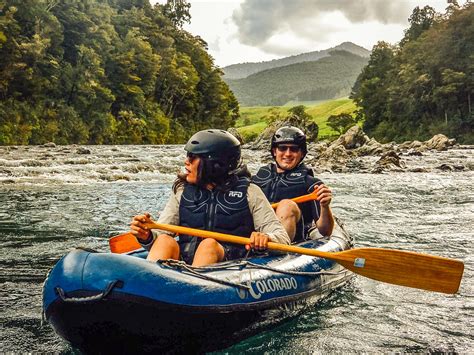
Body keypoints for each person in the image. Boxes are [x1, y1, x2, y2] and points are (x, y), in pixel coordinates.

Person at [130, 129, 290, 267]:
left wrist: (266, 237)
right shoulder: (181, 190)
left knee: (209, 244)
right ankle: (144, 291)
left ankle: (192, 293)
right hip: (187, 264)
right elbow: (160, 234)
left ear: (214, 164)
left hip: (230, 267)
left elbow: (282, 238)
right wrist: (147, 236)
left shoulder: (250, 192)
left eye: (192, 158)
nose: (186, 162)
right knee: (165, 240)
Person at [252, 126, 334, 242]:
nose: (288, 154)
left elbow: (325, 231)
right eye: (282, 148)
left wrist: (325, 206)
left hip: (292, 241)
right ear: (275, 151)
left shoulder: (312, 184)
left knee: (286, 205)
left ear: (301, 153)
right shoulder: (255, 180)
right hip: (256, 238)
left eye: (294, 149)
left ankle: (278, 245)